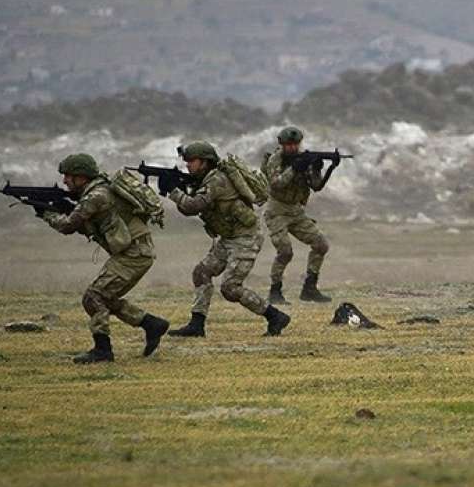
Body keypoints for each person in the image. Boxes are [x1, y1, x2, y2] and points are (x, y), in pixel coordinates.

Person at [41, 153, 169, 363]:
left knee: (93, 297)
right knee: (105, 297)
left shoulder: (95, 196)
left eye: (68, 176)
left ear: (81, 177)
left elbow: (67, 226)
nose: (64, 181)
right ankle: (151, 324)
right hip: (135, 252)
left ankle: (103, 350)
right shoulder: (98, 191)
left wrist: (46, 214)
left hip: (134, 254)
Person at [163, 141, 290, 338]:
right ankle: (197, 325)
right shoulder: (206, 179)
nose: (188, 165)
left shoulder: (217, 181)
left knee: (230, 288)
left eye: (192, 161)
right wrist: (178, 190)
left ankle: (275, 316)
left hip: (246, 238)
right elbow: (189, 209)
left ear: (205, 162)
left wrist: (174, 191)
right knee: (201, 273)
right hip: (229, 238)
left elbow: (193, 205)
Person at [261, 126, 338, 304]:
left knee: (321, 245)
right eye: (288, 145)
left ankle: (309, 288)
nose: (292, 148)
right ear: (282, 145)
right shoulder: (275, 160)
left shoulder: (304, 159)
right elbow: (276, 184)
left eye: (295, 144)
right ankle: (275, 291)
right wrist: (295, 168)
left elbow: (316, 186)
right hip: (276, 210)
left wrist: (322, 168)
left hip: (296, 211)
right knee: (285, 252)